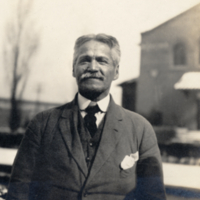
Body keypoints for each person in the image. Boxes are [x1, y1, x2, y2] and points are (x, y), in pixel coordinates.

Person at [6, 34, 166, 200]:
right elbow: (19, 193)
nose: (93, 67)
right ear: (73, 69)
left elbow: (153, 196)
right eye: (85, 60)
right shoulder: (43, 124)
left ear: (116, 71)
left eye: (102, 61)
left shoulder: (140, 129)